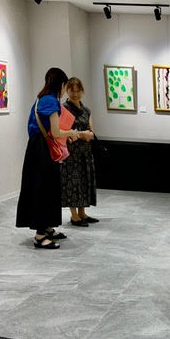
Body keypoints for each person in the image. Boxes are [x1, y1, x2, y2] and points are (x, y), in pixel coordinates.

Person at [16, 68, 92, 249]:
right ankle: (40, 235)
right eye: (65, 86)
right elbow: (56, 131)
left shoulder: (41, 98)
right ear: (61, 84)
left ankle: (48, 227)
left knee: (49, 188)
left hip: (38, 148)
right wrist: (72, 133)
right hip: (42, 151)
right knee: (43, 189)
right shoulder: (51, 101)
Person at [61, 78, 99, 227]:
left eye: (78, 91)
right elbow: (62, 132)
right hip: (71, 154)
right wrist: (81, 134)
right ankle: (74, 216)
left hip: (85, 152)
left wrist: (80, 134)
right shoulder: (63, 109)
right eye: (72, 91)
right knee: (72, 183)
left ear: (82, 91)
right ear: (67, 91)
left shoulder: (86, 110)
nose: (75, 94)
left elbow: (91, 133)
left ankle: (82, 213)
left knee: (84, 181)